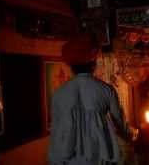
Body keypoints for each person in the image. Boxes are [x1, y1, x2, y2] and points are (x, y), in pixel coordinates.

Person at [48, 32, 139, 165]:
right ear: (94, 62)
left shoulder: (58, 93)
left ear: (71, 66)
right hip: (99, 157)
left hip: (68, 159)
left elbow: (56, 132)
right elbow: (120, 125)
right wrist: (132, 135)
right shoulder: (106, 89)